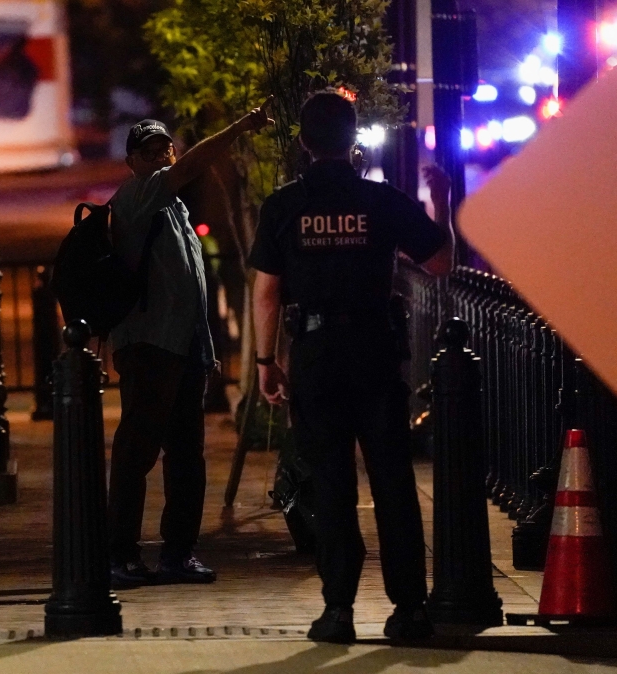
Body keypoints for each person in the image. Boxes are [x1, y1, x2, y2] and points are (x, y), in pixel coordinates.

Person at [248, 90, 454, 643]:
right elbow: (438, 262)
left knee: (332, 484)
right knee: (392, 479)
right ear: (353, 136)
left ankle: (338, 609)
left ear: (303, 142)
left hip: (315, 355)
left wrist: (267, 361)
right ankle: (410, 609)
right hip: (375, 350)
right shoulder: (381, 201)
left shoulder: (283, 206)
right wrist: (443, 204)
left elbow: (266, 293)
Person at [107, 102, 275, 588]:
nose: (162, 157)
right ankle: (121, 554)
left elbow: (190, 285)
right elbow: (193, 166)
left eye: (166, 148)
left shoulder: (175, 208)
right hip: (149, 347)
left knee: (186, 457)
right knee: (137, 453)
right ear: (132, 162)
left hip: (184, 352)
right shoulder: (138, 196)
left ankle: (178, 554)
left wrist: (205, 351)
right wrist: (240, 126)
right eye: (149, 151)